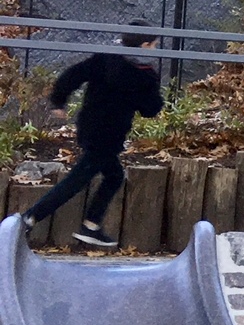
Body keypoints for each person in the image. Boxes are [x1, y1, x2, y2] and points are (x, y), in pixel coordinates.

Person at [21, 29, 165, 250]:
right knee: (78, 179)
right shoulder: (144, 74)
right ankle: (31, 217)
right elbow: (150, 108)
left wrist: (59, 100)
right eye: (154, 44)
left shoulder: (106, 57)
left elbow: (73, 75)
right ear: (145, 45)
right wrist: (149, 94)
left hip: (89, 126)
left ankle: (91, 226)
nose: (155, 48)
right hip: (111, 133)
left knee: (114, 175)